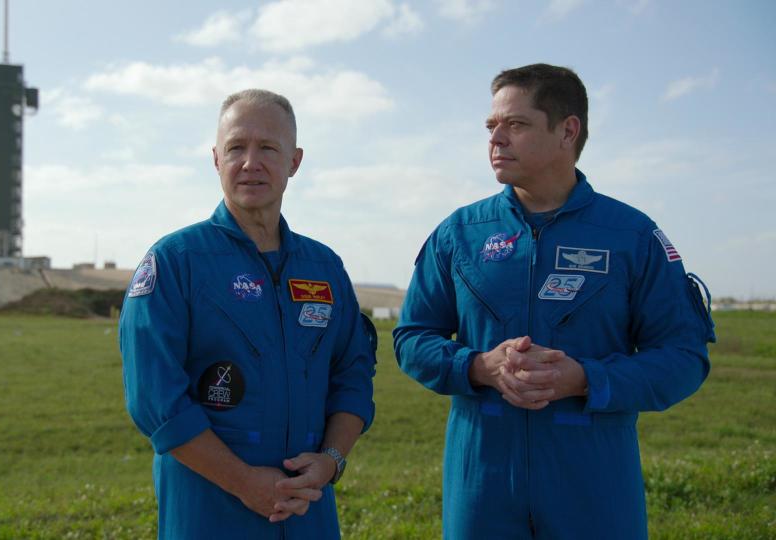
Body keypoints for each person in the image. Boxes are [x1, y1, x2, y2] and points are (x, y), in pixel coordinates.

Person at [393, 64, 716, 539]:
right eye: (491, 126)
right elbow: (412, 338)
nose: (496, 139)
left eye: (516, 124)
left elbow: (684, 357)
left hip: (594, 484)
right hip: (482, 482)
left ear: (568, 131)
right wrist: (481, 366)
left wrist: (587, 379)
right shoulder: (460, 234)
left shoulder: (632, 236)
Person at [119, 89, 377, 539]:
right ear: (216, 159)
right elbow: (155, 400)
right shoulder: (176, 261)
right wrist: (243, 483)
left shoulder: (324, 268)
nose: (250, 162)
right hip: (209, 511)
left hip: (307, 512)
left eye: (268, 148)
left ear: (294, 162)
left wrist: (331, 461)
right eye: (236, 147)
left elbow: (353, 373)